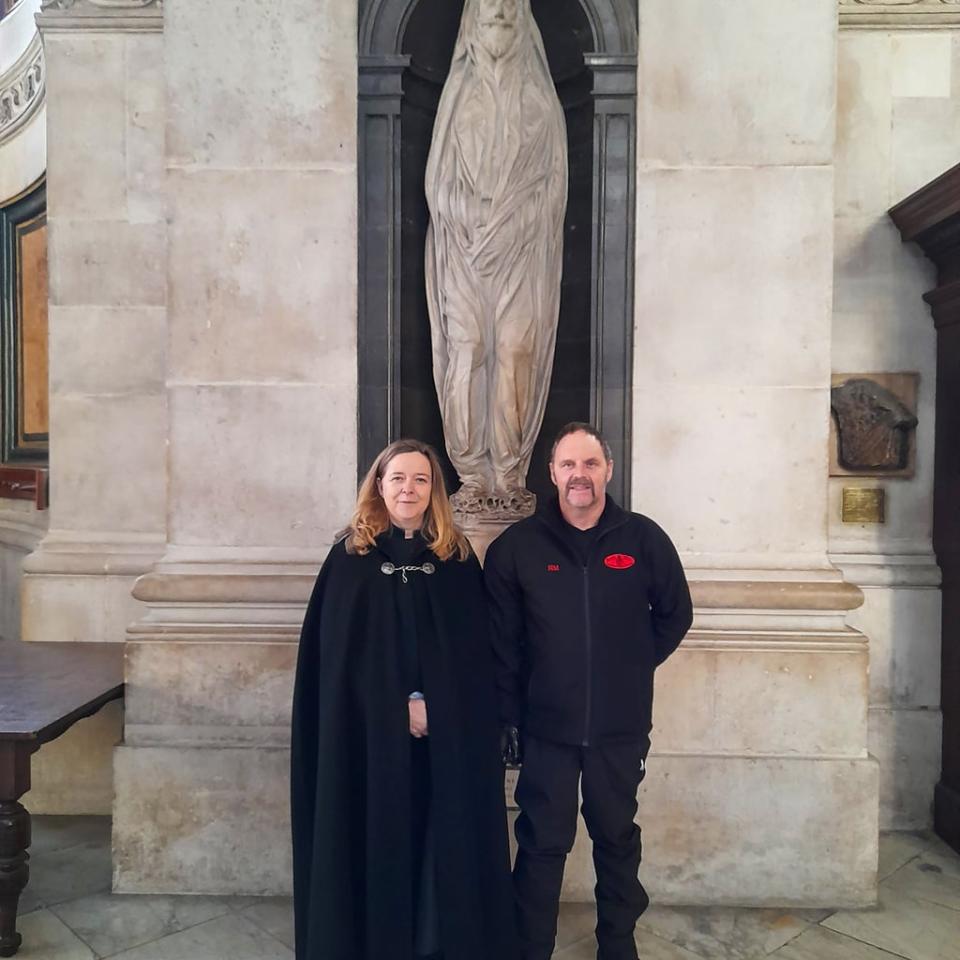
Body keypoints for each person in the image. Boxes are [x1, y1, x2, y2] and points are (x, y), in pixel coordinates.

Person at [291, 439, 517, 960]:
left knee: (441, 839)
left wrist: (437, 703)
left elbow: (474, 657)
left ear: (433, 490)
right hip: (367, 741)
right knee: (373, 834)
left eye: (420, 479)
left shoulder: (457, 561)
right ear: (379, 485)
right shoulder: (349, 559)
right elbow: (336, 666)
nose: (408, 489)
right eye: (398, 478)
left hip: (446, 738)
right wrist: (398, 705)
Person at [484, 423, 693, 960]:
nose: (581, 475)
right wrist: (509, 717)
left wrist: (629, 669)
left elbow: (675, 615)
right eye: (569, 465)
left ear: (608, 470)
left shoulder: (644, 539)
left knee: (617, 838)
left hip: (619, 731)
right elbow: (502, 643)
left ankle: (617, 945)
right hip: (546, 729)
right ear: (551, 473)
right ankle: (530, 949)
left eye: (591, 464)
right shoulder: (517, 548)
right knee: (541, 845)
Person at [424, 0, 567, 512]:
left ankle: (509, 474)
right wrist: (469, 220)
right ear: (473, 28)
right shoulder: (459, 100)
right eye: (491, 19)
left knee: (514, 352)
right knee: (467, 349)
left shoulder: (539, 102)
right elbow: (438, 186)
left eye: (509, 19)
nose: (499, 27)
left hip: (522, 252)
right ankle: (470, 476)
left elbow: (554, 187)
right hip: (464, 251)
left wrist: (514, 225)